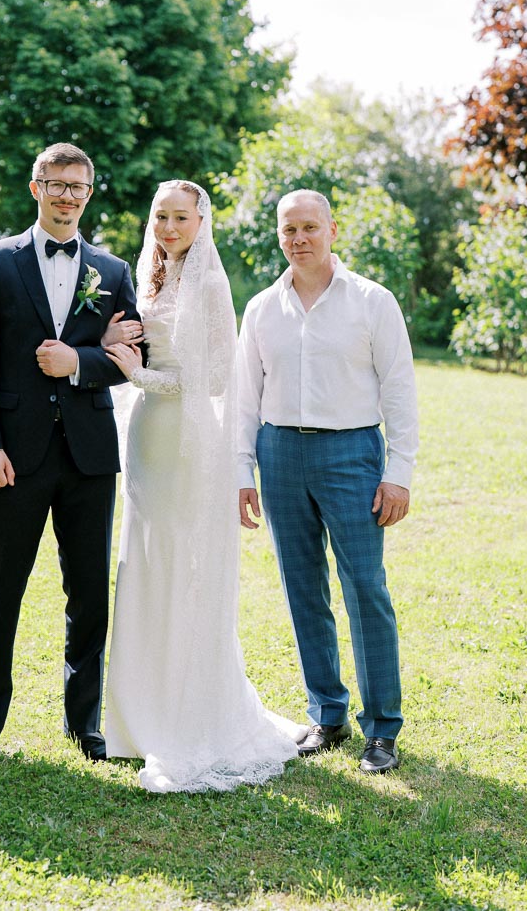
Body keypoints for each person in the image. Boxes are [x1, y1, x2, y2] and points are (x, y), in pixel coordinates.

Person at [102, 180, 305, 793]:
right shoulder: (150, 277)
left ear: (200, 221)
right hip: (146, 440)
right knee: (145, 561)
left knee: (183, 565)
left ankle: (191, 715)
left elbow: (216, 377)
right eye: (160, 216)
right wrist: (117, 348)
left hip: (189, 442)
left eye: (179, 218)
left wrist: (143, 377)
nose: (167, 228)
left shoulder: (212, 284)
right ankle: (140, 716)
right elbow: (137, 345)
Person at [0, 143, 141, 768]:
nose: (67, 195)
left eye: (78, 186)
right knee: (0, 589)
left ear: (89, 194)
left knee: (89, 593)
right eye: (56, 183)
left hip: (89, 457)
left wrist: (80, 363)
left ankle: (84, 722)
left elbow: (129, 361)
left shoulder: (113, 272)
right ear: (35, 187)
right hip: (15, 456)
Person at [236, 189, 418, 774]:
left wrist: (399, 473)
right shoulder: (262, 308)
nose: (300, 239)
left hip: (352, 453)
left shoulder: (373, 301)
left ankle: (382, 728)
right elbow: (246, 398)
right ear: (279, 236)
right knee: (302, 587)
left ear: (332, 230)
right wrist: (244, 471)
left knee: (366, 587)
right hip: (280, 451)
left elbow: (400, 391)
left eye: (310, 227)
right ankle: (327, 713)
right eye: (289, 230)